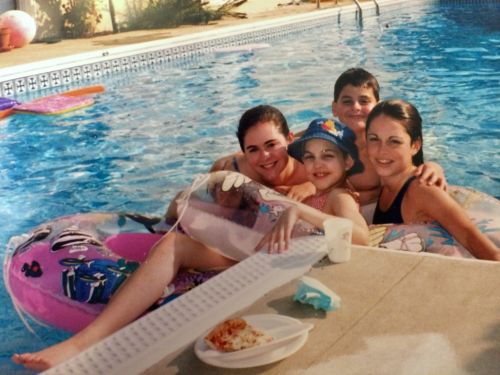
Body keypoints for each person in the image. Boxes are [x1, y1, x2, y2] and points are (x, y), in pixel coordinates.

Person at [10, 109, 360, 371]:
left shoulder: (321, 185)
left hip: (276, 260)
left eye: (272, 145)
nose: (265, 156)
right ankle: (81, 345)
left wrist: (301, 203)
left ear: (289, 140)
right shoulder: (239, 171)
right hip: (245, 250)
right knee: (171, 245)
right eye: (253, 149)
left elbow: (353, 229)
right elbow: (186, 206)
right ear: (243, 152)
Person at [365, 99, 500, 261]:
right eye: (374, 139)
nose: (381, 150)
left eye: (394, 141)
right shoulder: (385, 181)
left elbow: (476, 242)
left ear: (415, 146)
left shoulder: (422, 189)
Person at [331, 68, 447, 210]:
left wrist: (434, 167)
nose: (356, 107)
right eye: (347, 101)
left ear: (377, 106)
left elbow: (409, 163)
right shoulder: (327, 139)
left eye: (364, 101)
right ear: (334, 108)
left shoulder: (383, 149)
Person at [257, 118, 369, 251]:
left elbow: (362, 238)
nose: (317, 164)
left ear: (347, 162)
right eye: (309, 157)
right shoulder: (316, 196)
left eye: (327, 156)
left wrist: (299, 210)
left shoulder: (339, 196)